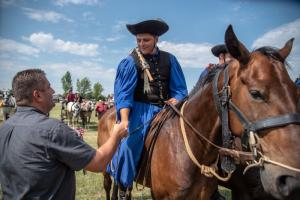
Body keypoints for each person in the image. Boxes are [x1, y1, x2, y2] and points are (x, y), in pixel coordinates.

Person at [0, 69, 128, 200]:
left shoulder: (4, 127)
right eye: (48, 87)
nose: (53, 91)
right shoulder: (53, 129)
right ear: (37, 95)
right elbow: (99, 163)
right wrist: (116, 135)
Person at [109, 19, 188, 198]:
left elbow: (181, 89)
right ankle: (123, 186)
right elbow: (124, 95)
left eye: (146, 40)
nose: (142, 44)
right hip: (139, 111)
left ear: (156, 40)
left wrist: (177, 99)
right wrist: (126, 120)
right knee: (129, 145)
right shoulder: (130, 62)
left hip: (167, 110)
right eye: (139, 40)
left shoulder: (170, 59)